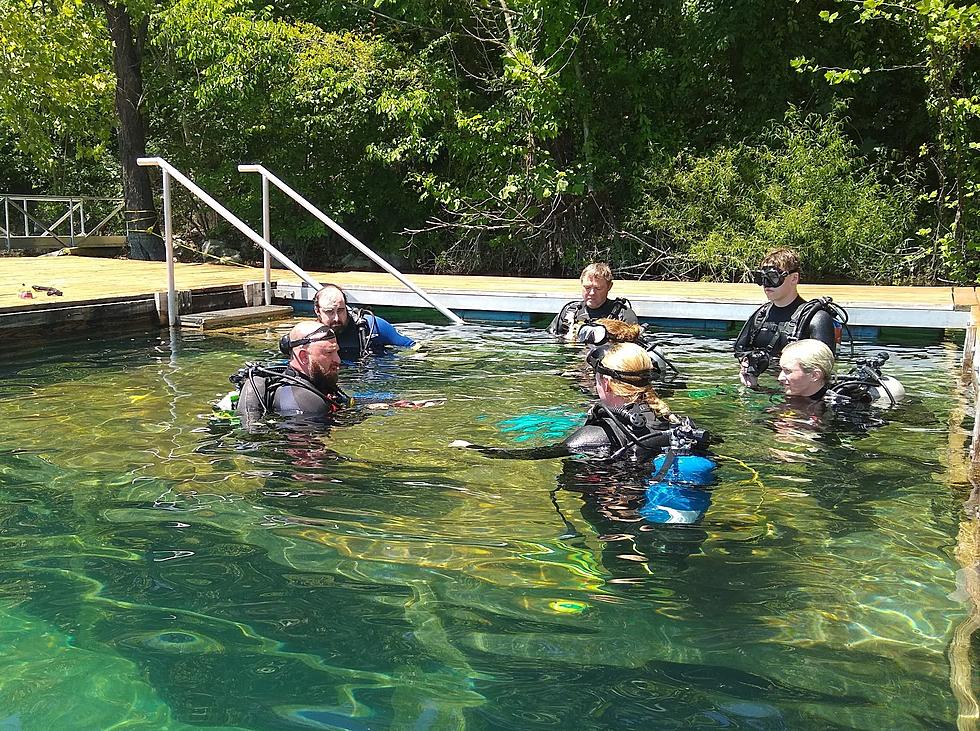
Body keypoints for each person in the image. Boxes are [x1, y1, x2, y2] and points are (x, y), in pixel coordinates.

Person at [734, 248, 846, 387]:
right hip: (760, 388)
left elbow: (823, 367)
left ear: (794, 278)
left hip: (798, 394)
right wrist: (748, 361)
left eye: (773, 277)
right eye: (762, 278)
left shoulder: (816, 318)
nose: (766, 284)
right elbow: (740, 348)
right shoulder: (761, 315)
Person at [232, 321, 352, 425]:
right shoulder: (301, 402)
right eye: (329, 353)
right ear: (304, 357)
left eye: (336, 352)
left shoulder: (316, 381)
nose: (338, 360)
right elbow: (307, 449)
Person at [313, 284, 415, 360]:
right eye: (329, 312)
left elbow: (412, 346)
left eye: (340, 310)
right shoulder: (309, 337)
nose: (336, 318)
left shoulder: (372, 326)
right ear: (317, 311)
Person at [548, 263, 638, 338]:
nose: (591, 293)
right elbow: (549, 337)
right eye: (587, 287)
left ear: (609, 287)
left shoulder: (623, 315)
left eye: (598, 288)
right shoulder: (569, 312)